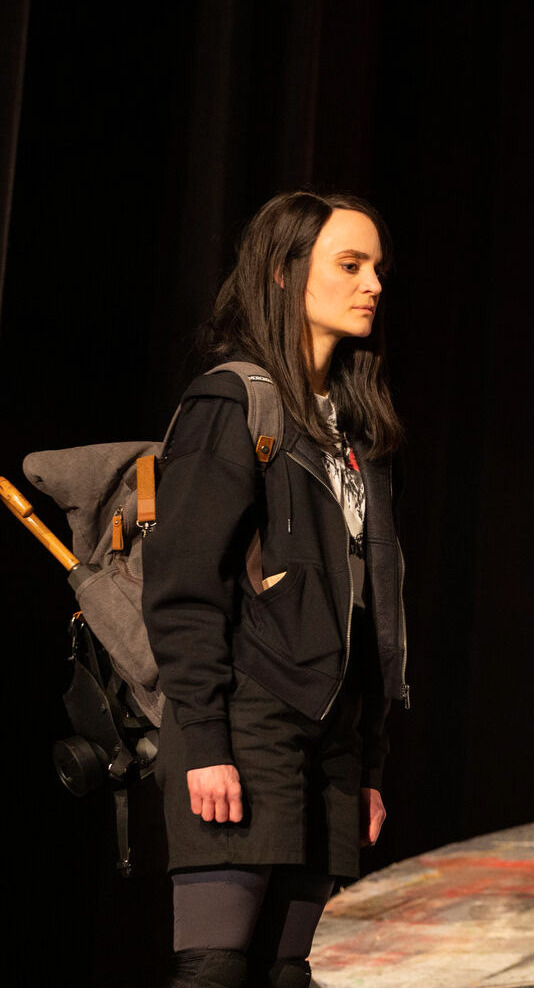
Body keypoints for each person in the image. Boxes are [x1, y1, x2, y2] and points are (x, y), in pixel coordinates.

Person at [143, 192, 408, 988]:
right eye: (350, 265)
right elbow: (184, 585)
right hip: (244, 715)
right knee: (216, 968)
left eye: (377, 268)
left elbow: (368, 608)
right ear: (284, 273)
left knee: (294, 974)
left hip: (332, 738)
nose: (373, 285)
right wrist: (206, 743)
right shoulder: (234, 402)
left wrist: (368, 763)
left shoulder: (356, 431)